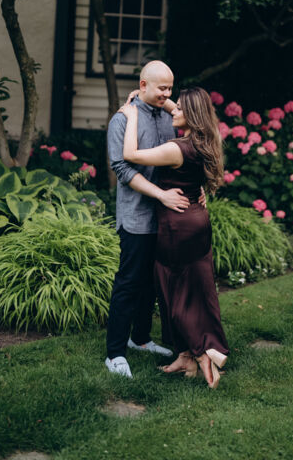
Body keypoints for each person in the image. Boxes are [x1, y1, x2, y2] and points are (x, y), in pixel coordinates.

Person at [120, 86, 229, 389]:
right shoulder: (205, 141)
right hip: (197, 221)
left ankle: (202, 352)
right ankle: (186, 357)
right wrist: (148, 94)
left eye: (179, 108)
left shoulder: (176, 149)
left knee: (174, 291)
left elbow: (130, 155)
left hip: (177, 227)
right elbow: (182, 111)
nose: (172, 110)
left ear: (191, 115)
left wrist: (131, 114)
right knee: (196, 290)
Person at [105, 61, 192, 379]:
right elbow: (122, 169)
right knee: (129, 283)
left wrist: (164, 100)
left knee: (152, 284)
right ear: (143, 85)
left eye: (171, 88)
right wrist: (161, 195)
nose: (168, 94)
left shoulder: (170, 116)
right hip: (137, 216)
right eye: (162, 88)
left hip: (166, 217)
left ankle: (140, 339)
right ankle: (115, 353)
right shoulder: (122, 118)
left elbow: (190, 120)